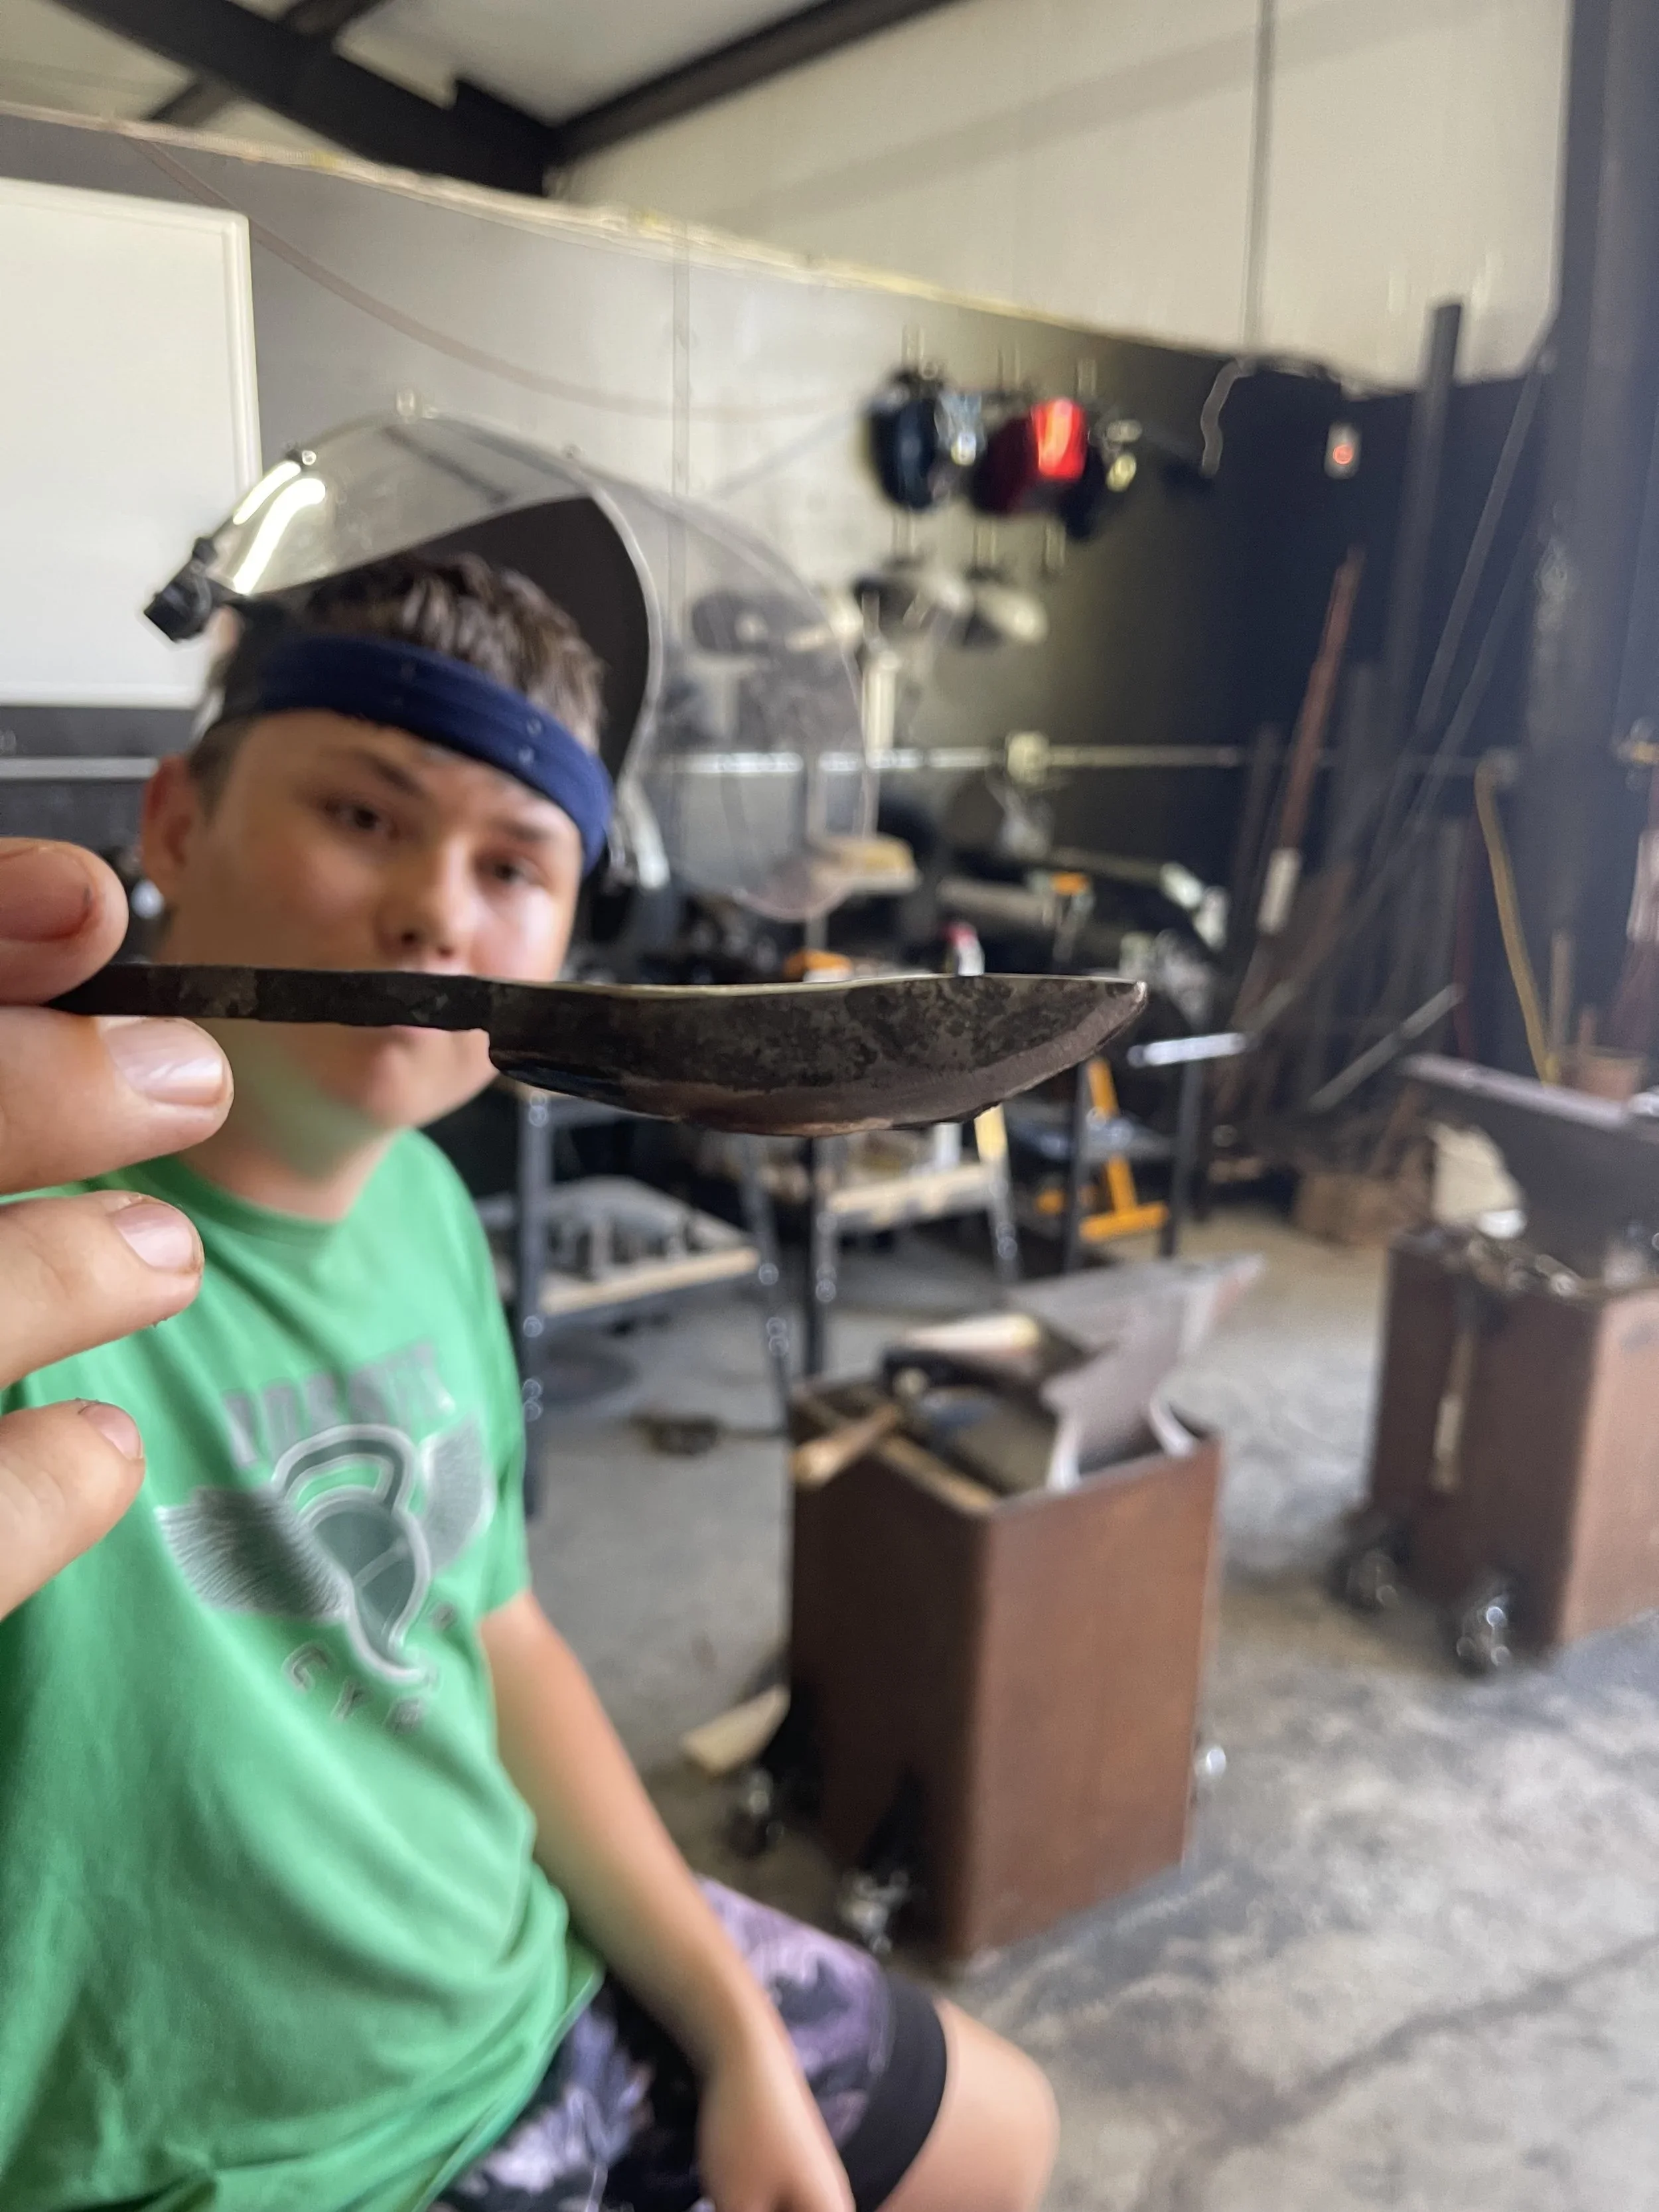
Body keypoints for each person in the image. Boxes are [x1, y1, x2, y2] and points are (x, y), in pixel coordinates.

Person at [0, 552, 1057, 2212]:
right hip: (232, 2168)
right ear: (178, 823)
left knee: (994, 2128)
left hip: (508, 1986)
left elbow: (496, 1636)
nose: (438, 910)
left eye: (512, 863)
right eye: (364, 813)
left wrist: (733, 2032)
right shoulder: (23, 1252)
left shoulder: (429, 1208)